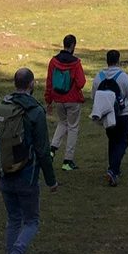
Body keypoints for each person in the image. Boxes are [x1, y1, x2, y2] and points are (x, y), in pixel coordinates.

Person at [0, 68, 58, 254]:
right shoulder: (35, 111)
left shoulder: (2, 107)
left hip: (5, 173)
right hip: (27, 175)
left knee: (13, 219)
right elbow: (42, 150)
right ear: (31, 84)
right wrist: (51, 180)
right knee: (31, 221)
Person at [92, 50, 128, 186]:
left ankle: (114, 168)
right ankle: (113, 170)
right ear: (118, 61)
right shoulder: (123, 77)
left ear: (106, 61)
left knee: (112, 141)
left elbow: (94, 96)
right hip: (122, 114)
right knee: (123, 142)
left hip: (107, 115)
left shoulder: (99, 77)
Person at [45, 34, 86, 171]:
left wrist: (48, 100)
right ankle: (68, 160)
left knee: (62, 123)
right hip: (73, 99)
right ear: (73, 45)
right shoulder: (76, 63)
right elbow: (81, 83)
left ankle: (52, 148)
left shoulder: (53, 61)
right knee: (73, 127)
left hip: (58, 98)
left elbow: (49, 82)